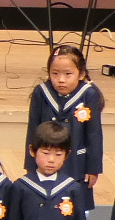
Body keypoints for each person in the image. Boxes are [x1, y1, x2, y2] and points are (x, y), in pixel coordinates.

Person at [30, 44, 106, 191]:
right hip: (45, 164)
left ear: (81, 74)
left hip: (77, 165)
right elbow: (33, 130)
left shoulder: (89, 94)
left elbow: (94, 134)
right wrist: (30, 164)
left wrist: (93, 168)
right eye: (55, 73)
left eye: (68, 74)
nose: (61, 79)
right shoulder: (41, 92)